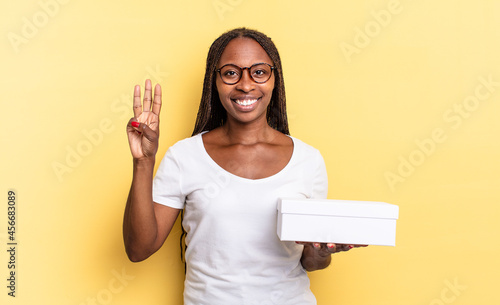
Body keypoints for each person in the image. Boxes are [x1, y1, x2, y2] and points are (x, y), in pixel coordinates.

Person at [123, 27, 363, 305]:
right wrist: (143, 162)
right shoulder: (184, 157)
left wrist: (322, 253)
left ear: (275, 79)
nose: (246, 85)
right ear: (215, 81)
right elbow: (138, 249)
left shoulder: (308, 160)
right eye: (231, 73)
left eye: (259, 72)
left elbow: (310, 261)